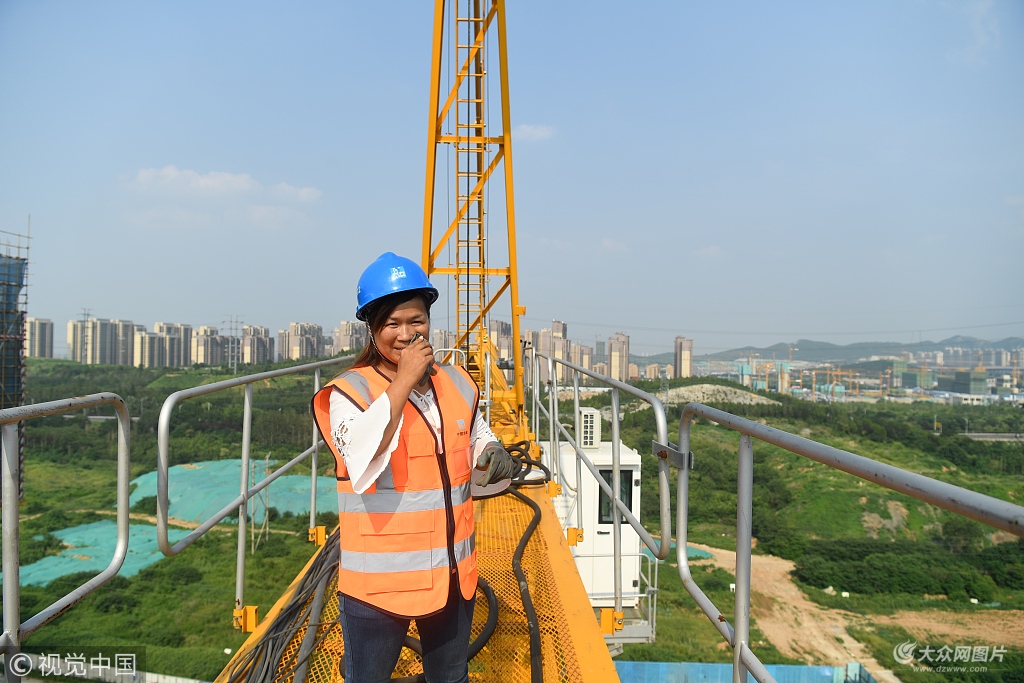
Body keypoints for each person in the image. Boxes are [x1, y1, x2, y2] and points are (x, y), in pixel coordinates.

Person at [312, 252, 518, 683]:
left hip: (452, 575)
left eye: (416, 321)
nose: (406, 334)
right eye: (392, 324)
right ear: (372, 328)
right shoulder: (348, 393)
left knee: (450, 677)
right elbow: (362, 458)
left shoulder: (457, 381)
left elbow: (473, 429)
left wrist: (491, 448)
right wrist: (404, 379)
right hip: (379, 590)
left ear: (429, 319)